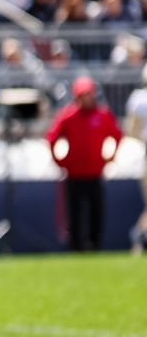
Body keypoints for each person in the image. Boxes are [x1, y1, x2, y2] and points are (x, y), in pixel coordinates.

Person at [45, 75, 124, 252]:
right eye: (83, 95)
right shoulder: (68, 115)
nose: (86, 98)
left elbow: (118, 135)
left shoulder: (103, 115)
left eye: (89, 94)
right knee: (74, 213)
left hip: (95, 173)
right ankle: (76, 247)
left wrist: (111, 157)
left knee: (96, 212)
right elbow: (51, 138)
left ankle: (95, 246)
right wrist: (59, 160)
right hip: (74, 174)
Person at [127, 63, 147, 255]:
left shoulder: (139, 99)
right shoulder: (140, 99)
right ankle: (138, 237)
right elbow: (132, 131)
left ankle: (138, 237)